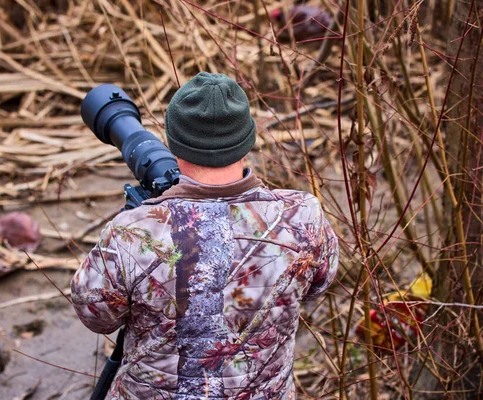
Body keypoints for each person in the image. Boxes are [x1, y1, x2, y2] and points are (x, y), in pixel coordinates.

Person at [71, 72, 339, 400]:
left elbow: (95, 316)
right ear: (247, 140)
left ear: (172, 140)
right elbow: (316, 287)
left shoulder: (132, 233)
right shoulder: (302, 216)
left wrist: (137, 220)